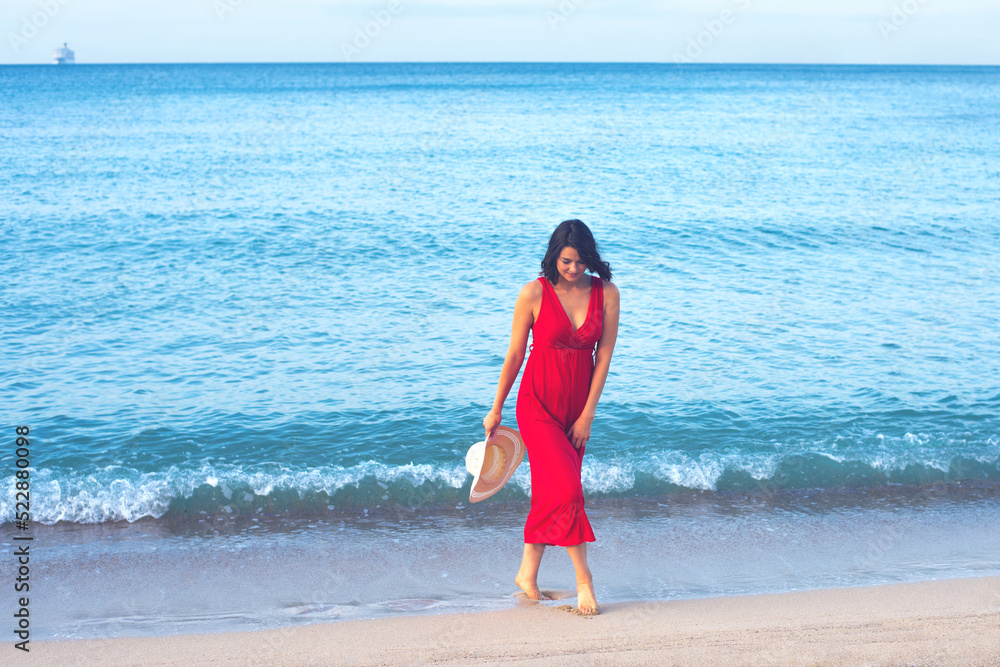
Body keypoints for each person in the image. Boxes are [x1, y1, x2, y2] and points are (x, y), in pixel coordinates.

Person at [482, 219, 620, 616]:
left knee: (551, 490)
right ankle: (584, 580)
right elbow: (514, 355)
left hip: (577, 410)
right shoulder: (533, 293)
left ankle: (527, 573)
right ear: (553, 256)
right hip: (537, 406)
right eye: (566, 261)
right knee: (568, 492)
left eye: (580, 261)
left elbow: (604, 356)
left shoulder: (606, 293)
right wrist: (496, 409)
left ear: (589, 258)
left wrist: (588, 414)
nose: (573, 269)